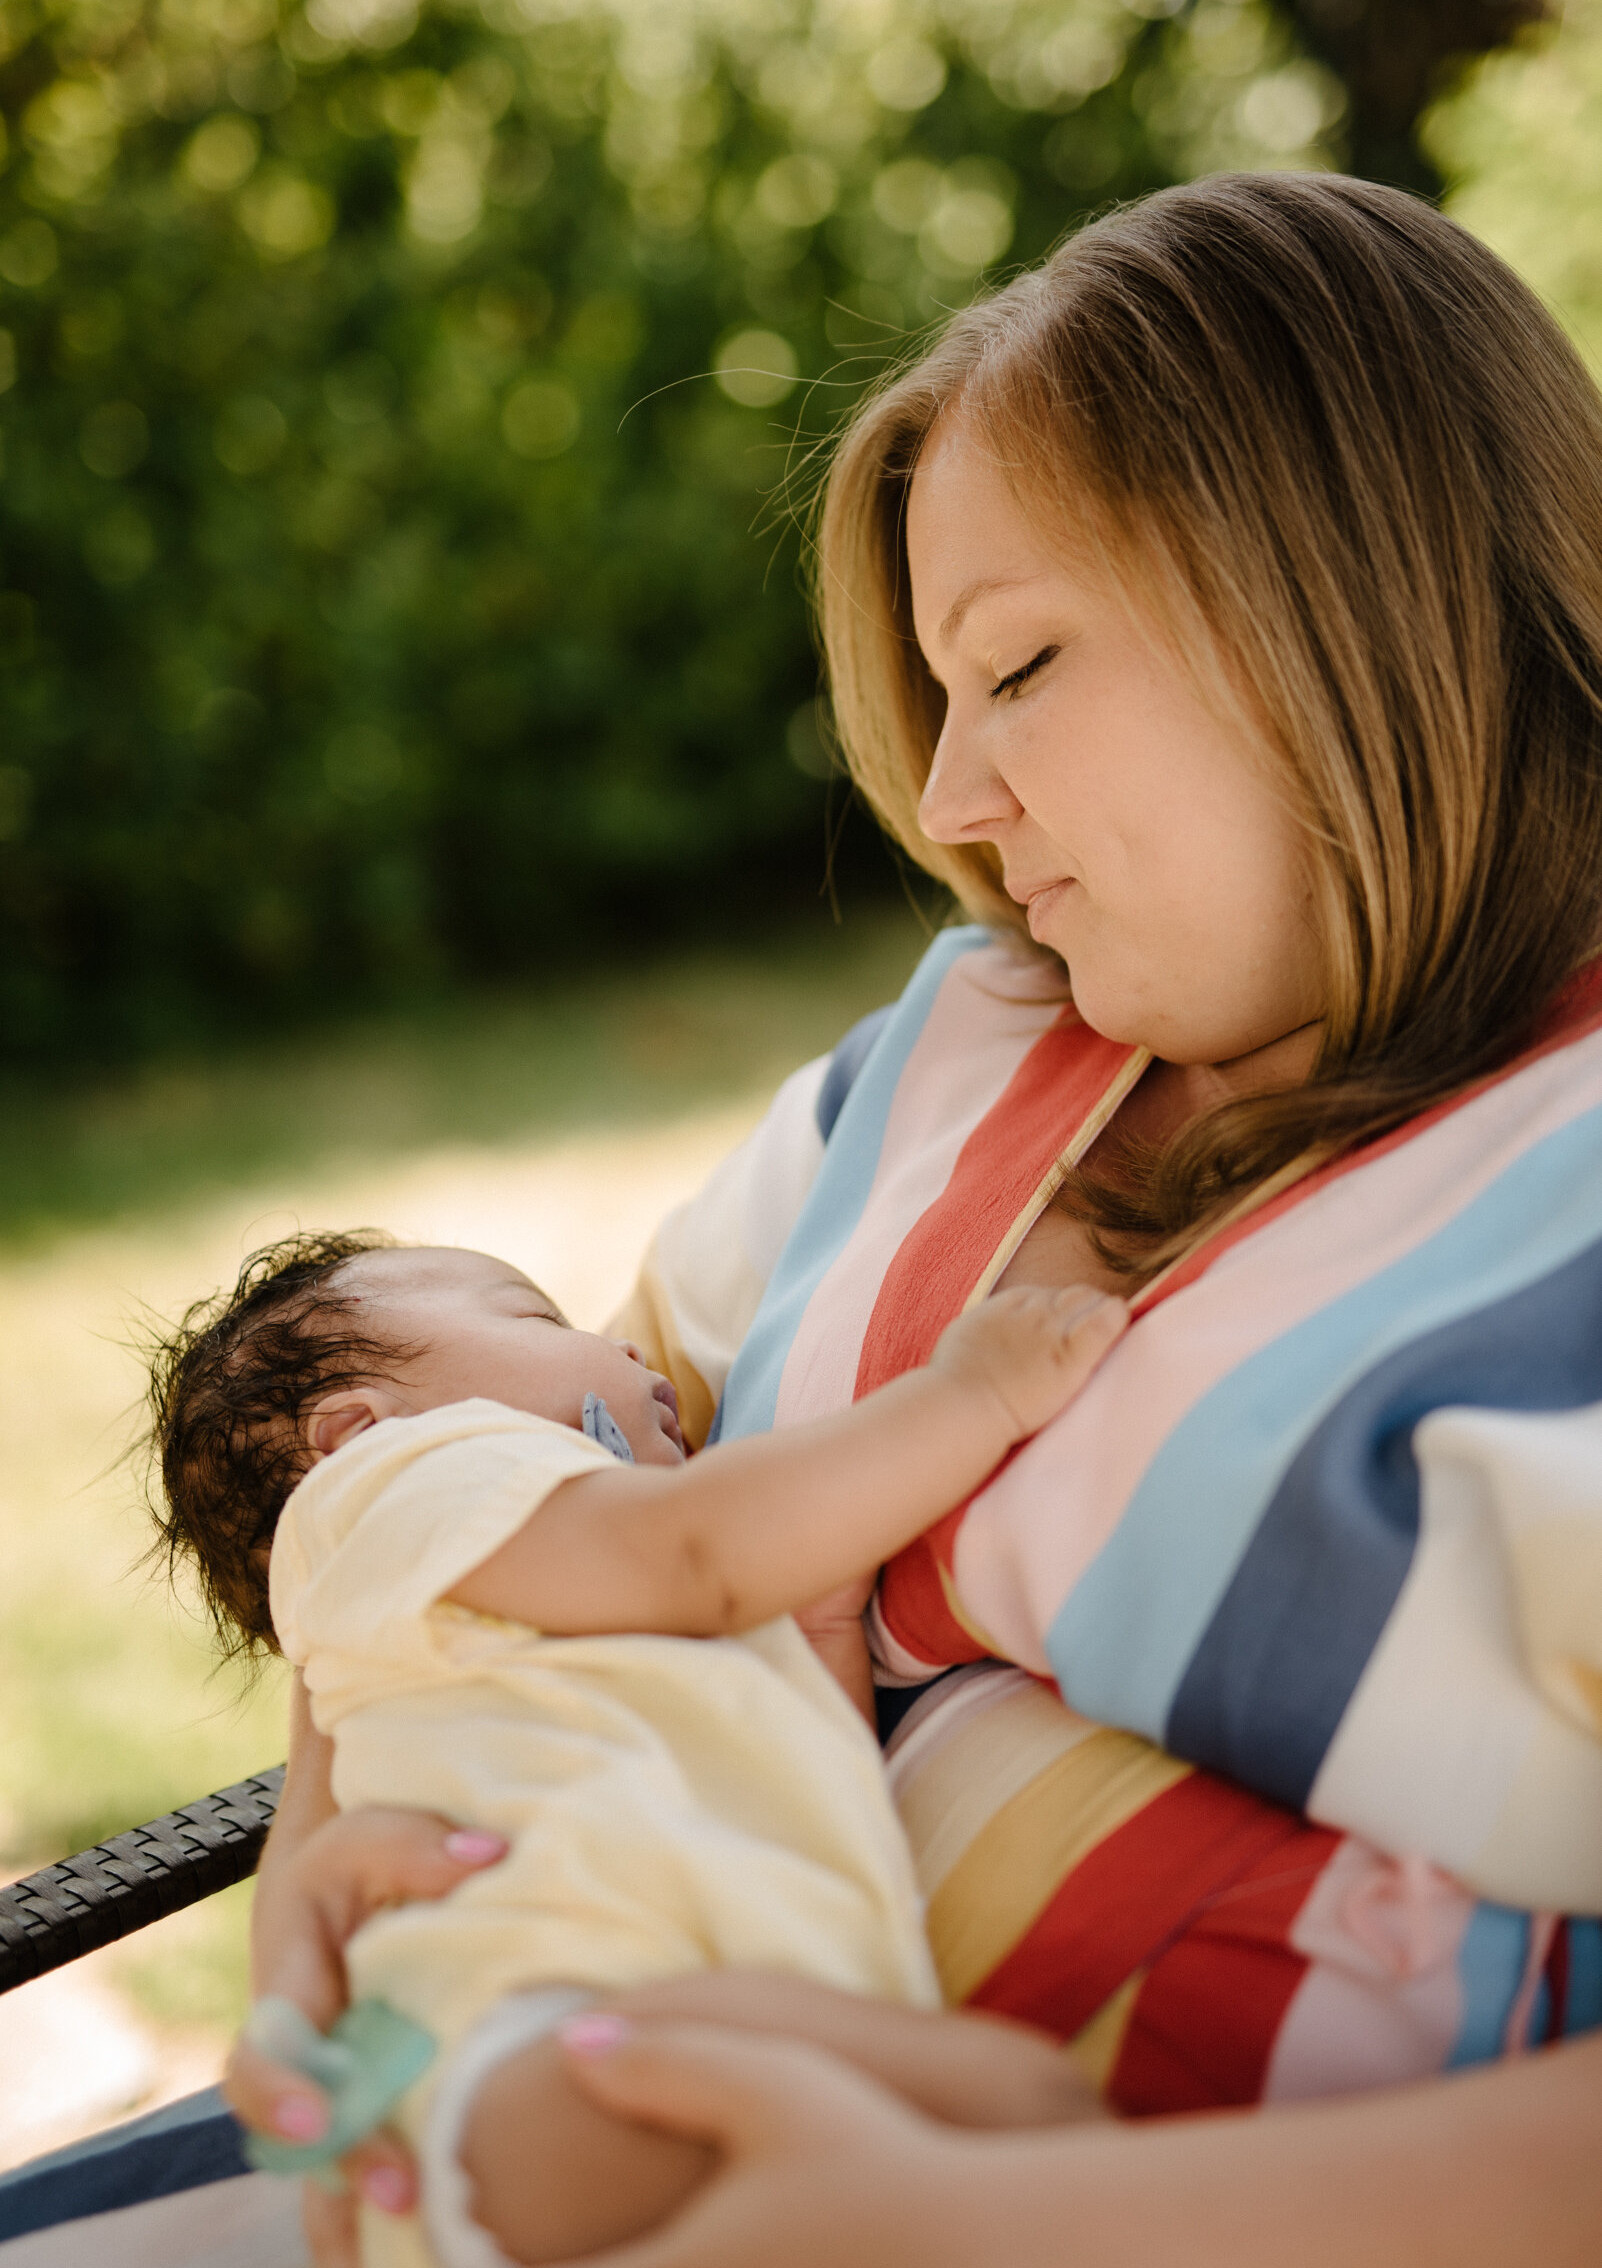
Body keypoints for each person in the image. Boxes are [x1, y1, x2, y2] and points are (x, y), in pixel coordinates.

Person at [228, 171, 1602, 2264]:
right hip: (567, 2114)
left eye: (1020, 662)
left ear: (1348, 601)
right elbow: (488, 1489)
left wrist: (991, 2227)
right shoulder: (951, 1053)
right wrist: (315, 1898)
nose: (952, 802)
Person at [151, 1232, 1122, 2264]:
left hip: (556, 2087)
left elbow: (789, 1775)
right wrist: (972, 1395)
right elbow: (695, 1550)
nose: (632, 1356)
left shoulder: (508, 1616)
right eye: (540, 1323)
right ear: (353, 1429)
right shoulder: (391, 1483)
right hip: (564, 2041)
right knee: (1028, 2111)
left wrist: (826, 1629)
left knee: (1025, 2109)